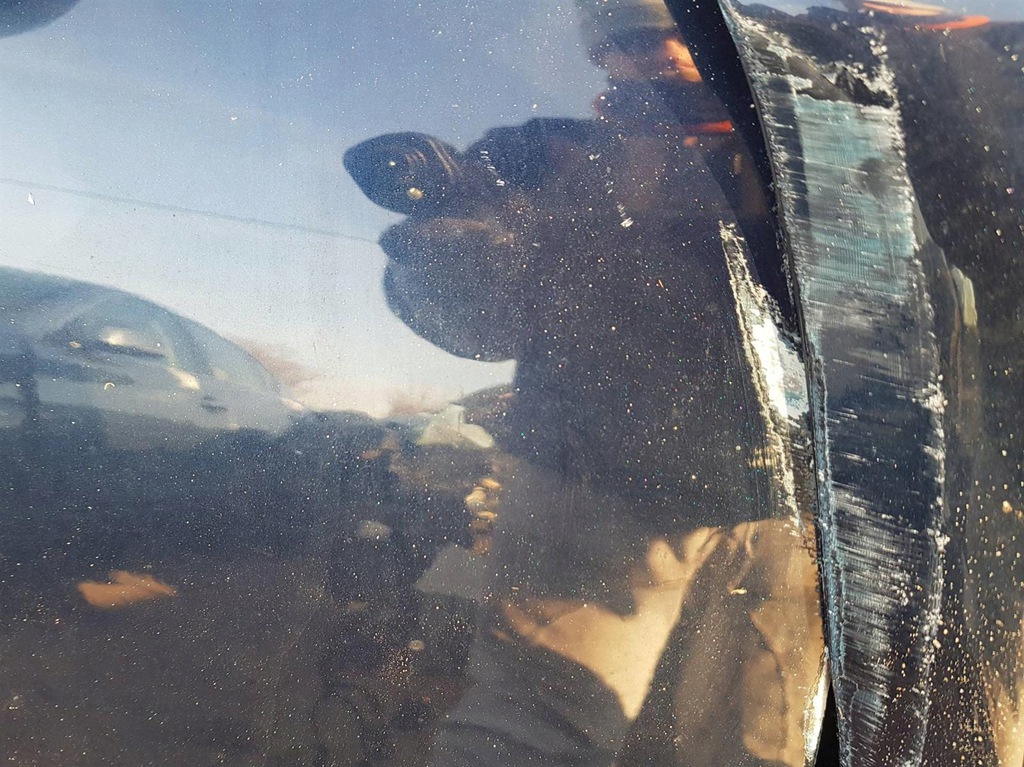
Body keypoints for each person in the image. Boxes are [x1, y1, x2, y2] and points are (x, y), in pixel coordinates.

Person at [346, 2, 825, 764]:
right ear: (600, 54)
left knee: (763, 743)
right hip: (591, 487)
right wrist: (451, 244)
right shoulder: (543, 157)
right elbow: (477, 326)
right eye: (628, 38)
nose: (659, 53)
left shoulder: (804, 152)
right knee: (532, 726)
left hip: (778, 496)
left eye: (685, 33)